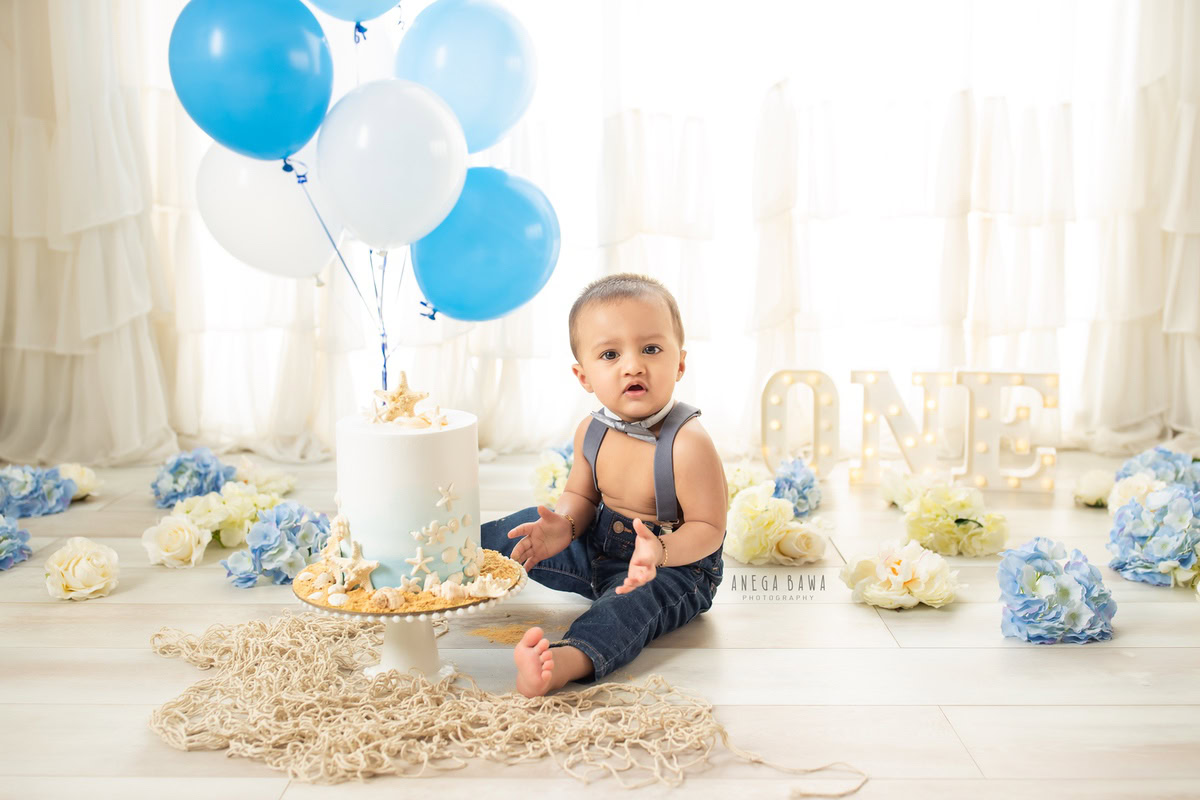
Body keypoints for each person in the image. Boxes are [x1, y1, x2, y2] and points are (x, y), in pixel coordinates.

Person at [480, 273, 727, 697]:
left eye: (651, 348)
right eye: (610, 354)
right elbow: (580, 496)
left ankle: (563, 662)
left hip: (674, 567)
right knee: (521, 528)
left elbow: (709, 528)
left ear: (680, 363)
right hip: (598, 546)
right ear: (584, 376)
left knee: (626, 607)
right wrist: (564, 526)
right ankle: (439, 558)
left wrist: (660, 551)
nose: (633, 364)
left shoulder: (688, 443)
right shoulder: (591, 431)